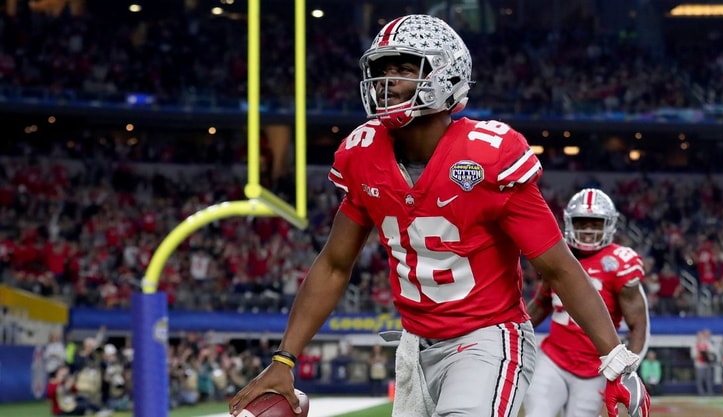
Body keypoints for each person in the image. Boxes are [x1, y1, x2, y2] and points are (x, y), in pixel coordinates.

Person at [228, 14, 649, 417]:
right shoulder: (362, 153)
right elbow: (335, 264)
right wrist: (284, 358)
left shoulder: (489, 155)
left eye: (403, 68)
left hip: (488, 338)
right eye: (382, 69)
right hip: (414, 343)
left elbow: (559, 267)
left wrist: (616, 362)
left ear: (446, 75)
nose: (387, 81)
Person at [523, 188, 650, 417]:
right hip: (553, 359)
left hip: (596, 369)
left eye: (595, 223)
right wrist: (513, 330)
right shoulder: (559, 253)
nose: (588, 230)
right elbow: (542, 302)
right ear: (570, 223)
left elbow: (638, 326)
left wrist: (624, 373)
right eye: (582, 223)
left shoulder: (620, 263)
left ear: (609, 225)